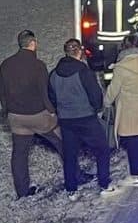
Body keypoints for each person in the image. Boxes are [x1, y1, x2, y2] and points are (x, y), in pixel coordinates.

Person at [0, 30, 63, 200]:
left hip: (16, 117)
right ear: (33, 43)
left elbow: (1, 92)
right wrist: (52, 111)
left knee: (19, 154)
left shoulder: (5, 65)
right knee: (62, 142)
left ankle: (22, 191)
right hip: (38, 115)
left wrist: (7, 111)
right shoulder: (38, 65)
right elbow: (44, 93)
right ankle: (76, 174)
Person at [49, 38, 118, 198]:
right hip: (86, 118)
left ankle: (71, 189)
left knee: (70, 154)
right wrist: (96, 108)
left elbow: (51, 96)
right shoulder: (84, 71)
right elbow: (95, 94)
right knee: (102, 149)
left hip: (66, 120)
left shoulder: (53, 74)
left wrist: (60, 111)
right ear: (79, 52)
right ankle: (104, 184)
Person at [104, 35, 138, 185]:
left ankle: (134, 174)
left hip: (129, 108)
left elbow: (114, 89)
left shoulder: (121, 67)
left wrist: (107, 102)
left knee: (132, 141)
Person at [91, 0, 138, 64]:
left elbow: (91, 9)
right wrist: (133, 26)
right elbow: (131, 14)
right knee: (125, 63)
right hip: (122, 37)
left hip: (104, 37)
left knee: (109, 64)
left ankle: (109, 74)